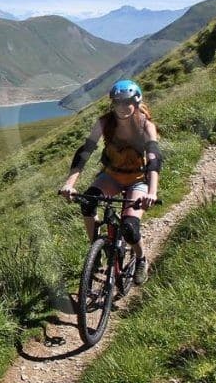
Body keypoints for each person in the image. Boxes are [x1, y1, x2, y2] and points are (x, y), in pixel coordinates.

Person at [60, 79, 162, 285]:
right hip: (112, 176)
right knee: (88, 202)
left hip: (138, 179)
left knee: (129, 227)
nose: (122, 107)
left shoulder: (145, 125)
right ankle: (95, 249)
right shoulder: (104, 123)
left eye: (127, 103)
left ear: (136, 102)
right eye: (117, 103)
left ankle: (141, 259)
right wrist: (70, 183)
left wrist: (152, 191)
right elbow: (85, 152)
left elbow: (154, 158)